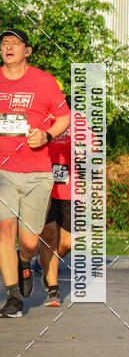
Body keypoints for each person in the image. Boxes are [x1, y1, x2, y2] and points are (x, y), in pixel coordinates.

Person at [0, 29, 70, 317]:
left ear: (27, 51)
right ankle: (14, 297)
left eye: (15, 43)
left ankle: (24, 260)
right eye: (4, 43)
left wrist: (47, 136)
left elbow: (64, 117)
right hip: (3, 169)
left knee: (29, 241)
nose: (8, 47)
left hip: (37, 172)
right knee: (5, 229)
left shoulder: (44, 81)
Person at [38, 120, 72, 308]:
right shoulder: (37, 118)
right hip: (44, 186)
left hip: (71, 189)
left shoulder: (75, 119)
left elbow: (94, 144)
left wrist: (90, 150)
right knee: (48, 235)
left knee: (68, 242)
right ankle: (53, 289)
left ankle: (45, 261)